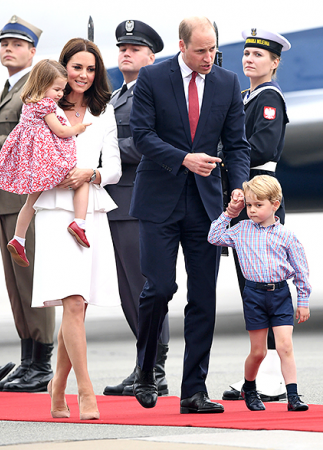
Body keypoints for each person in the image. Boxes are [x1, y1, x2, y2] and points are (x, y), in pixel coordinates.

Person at [129, 16, 250, 412]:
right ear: (181, 47)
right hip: (159, 200)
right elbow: (142, 136)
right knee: (159, 288)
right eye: (200, 50)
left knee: (204, 298)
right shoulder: (152, 78)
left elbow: (238, 145)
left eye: (213, 49)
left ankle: (194, 391)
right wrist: (183, 158)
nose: (209, 57)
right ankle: (146, 371)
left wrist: (239, 186)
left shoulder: (227, 82)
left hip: (206, 206)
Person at [31, 38, 121, 420]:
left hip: (92, 208)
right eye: (76, 67)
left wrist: (93, 173)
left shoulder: (104, 110)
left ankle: (56, 388)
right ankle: (86, 390)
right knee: (71, 302)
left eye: (90, 69)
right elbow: (31, 156)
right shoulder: (45, 108)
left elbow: (114, 167)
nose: (83, 75)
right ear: (63, 67)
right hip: (55, 209)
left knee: (78, 308)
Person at [0, 15, 55, 393]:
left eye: (16, 44)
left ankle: (41, 362)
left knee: (31, 280)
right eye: (3, 43)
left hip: (25, 197)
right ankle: (28, 358)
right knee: (15, 285)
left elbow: (19, 141)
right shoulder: (6, 88)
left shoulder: (35, 88)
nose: (7, 49)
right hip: (4, 197)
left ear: (32, 51)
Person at [223, 28, 292, 402]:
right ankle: (256, 375)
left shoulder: (269, 98)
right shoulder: (248, 96)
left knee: (268, 290)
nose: (250, 59)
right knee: (252, 290)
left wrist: (222, 154)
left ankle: (275, 379)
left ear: (275, 62)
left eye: (259, 55)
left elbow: (260, 146)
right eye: (247, 53)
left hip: (260, 196)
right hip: (248, 199)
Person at [103, 20, 170, 398]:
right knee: (130, 290)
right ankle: (144, 364)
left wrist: (105, 153)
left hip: (140, 200)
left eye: (134, 47)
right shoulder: (117, 97)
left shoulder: (156, 92)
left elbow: (152, 143)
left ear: (151, 56)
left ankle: (154, 368)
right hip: (117, 201)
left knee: (146, 287)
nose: (125, 52)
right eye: (122, 47)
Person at [208, 175, 311, 412]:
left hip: (280, 294)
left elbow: (300, 270)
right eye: (250, 205)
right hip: (254, 295)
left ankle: (293, 396)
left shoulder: (286, 235)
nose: (252, 210)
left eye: (258, 205)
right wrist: (230, 213)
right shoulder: (241, 229)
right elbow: (213, 237)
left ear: (275, 204)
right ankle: (250, 389)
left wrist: (303, 301)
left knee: (285, 346)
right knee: (258, 352)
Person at [0, 59, 92, 268]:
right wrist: (79, 128)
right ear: (42, 83)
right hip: (46, 161)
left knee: (30, 204)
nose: (59, 94)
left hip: (32, 163)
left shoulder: (28, 102)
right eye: (56, 89)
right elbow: (61, 131)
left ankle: (18, 239)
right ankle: (79, 222)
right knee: (80, 178)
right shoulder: (45, 105)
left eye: (62, 90)